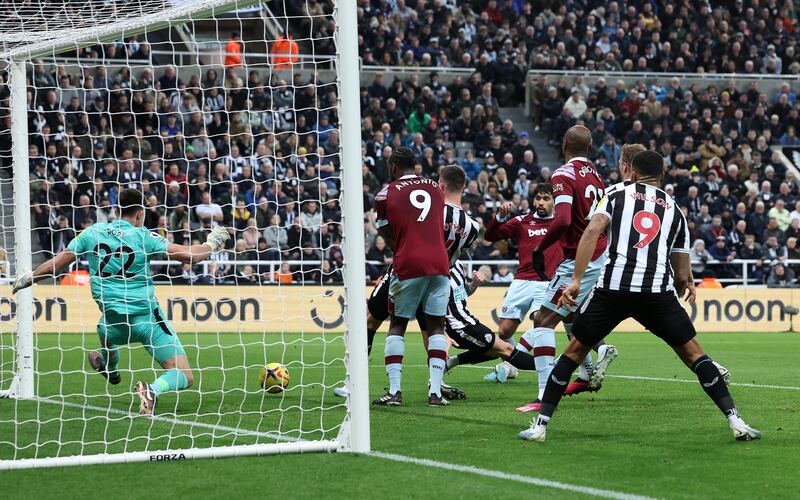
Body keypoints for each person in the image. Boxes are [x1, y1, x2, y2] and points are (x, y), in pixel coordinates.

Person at [519, 151, 760, 443]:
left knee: (572, 354)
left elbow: (591, 232)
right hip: (655, 294)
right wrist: (688, 283)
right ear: (662, 174)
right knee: (695, 355)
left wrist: (576, 280)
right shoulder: (674, 207)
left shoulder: (616, 193)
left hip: (613, 290)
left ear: (631, 171)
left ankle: (541, 426)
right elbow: (682, 272)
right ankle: (736, 421)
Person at [12, 189, 230, 416]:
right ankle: (152, 389)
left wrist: (28, 278)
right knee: (185, 376)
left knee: (107, 338)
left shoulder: (92, 233)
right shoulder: (144, 236)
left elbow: (55, 265)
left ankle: (112, 369)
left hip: (111, 324)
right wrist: (212, 243)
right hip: (147, 322)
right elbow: (189, 256)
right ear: (139, 213)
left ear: (117, 210)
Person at [336, 165, 481, 402]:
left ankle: (359, 384)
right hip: (440, 272)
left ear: (440, 185)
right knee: (432, 329)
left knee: (378, 319)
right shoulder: (472, 225)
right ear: (464, 187)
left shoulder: (433, 206)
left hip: (408, 268)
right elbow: (456, 255)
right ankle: (436, 387)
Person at [514, 126, 617, 398]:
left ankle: (545, 390)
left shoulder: (563, 174)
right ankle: (586, 367)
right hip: (599, 252)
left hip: (578, 257)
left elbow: (563, 220)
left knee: (542, 320)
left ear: (564, 143)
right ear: (590, 145)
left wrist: (540, 247)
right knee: (569, 313)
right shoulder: (596, 176)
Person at [372, 148, 452, 407]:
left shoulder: (386, 193)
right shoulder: (435, 187)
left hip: (408, 264)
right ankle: (436, 394)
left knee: (398, 324)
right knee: (436, 326)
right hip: (440, 263)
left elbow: (387, 233)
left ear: (394, 166)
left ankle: (395, 392)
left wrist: (403, 250)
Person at [481, 184, 563, 412]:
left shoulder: (561, 223)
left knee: (541, 323)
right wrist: (499, 216)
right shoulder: (522, 221)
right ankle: (513, 365)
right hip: (521, 282)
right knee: (504, 332)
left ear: (554, 201)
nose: (541, 202)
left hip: (547, 282)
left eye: (546, 198)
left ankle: (529, 377)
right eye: (538, 198)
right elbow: (490, 236)